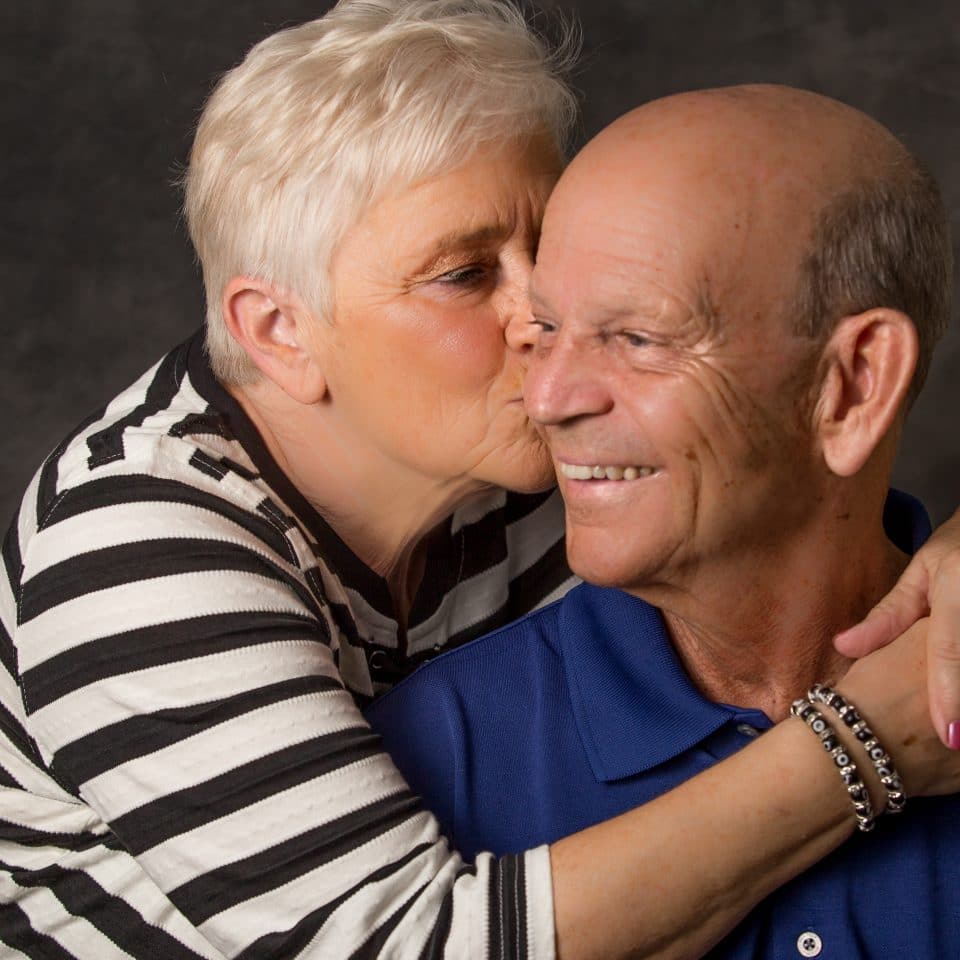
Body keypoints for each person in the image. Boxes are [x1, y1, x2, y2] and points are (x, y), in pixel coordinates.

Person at [1, 3, 959, 956]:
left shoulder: (508, 449)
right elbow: (409, 947)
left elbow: (781, 463)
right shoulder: (130, 546)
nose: (541, 319)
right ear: (279, 333)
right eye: (463, 275)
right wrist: (865, 743)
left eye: (541, 254)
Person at [366, 84, 960, 958]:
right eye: (547, 330)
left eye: (637, 339)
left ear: (854, 385)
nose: (546, 396)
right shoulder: (425, 764)